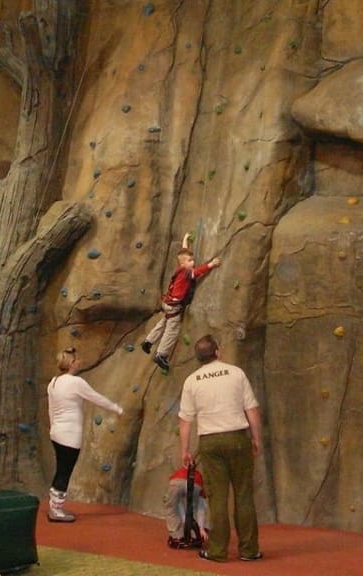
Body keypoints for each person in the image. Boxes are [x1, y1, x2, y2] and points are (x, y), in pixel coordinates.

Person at [178, 335, 262, 563]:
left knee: (217, 498)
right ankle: (249, 550)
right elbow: (251, 409)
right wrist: (255, 438)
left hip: (210, 441)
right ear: (217, 352)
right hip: (237, 437)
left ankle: (217, 551)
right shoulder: (236, 373)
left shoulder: (192, 380)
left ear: (198, 357)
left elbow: (185, 420)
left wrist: (185, 450)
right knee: (244, 494)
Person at [46, 346, 123, 523]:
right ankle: (56, 509)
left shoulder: (53, 383)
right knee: (65, 471)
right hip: (69, 435)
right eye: (76, 360)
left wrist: (53, 427)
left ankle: (54, 505)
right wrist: (117, 408)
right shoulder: (75, 383)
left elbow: (51, 409)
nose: (79, 362)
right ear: (71, 364)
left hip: (57, 433)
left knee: (60, 469)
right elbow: (96, 398)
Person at [141, 232, 221, 373]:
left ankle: (148, 341)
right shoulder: (186, 272)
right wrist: (211, 264)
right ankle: (161, 354)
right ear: (183, 263)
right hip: (174, 306)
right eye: (190, 261)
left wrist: (185, 240)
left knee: (163, 322)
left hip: (167, 303)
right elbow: (197, 272)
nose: (193, 262)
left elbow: (184, 254)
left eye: (192, 260)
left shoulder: (180, 268)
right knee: (172, 330)